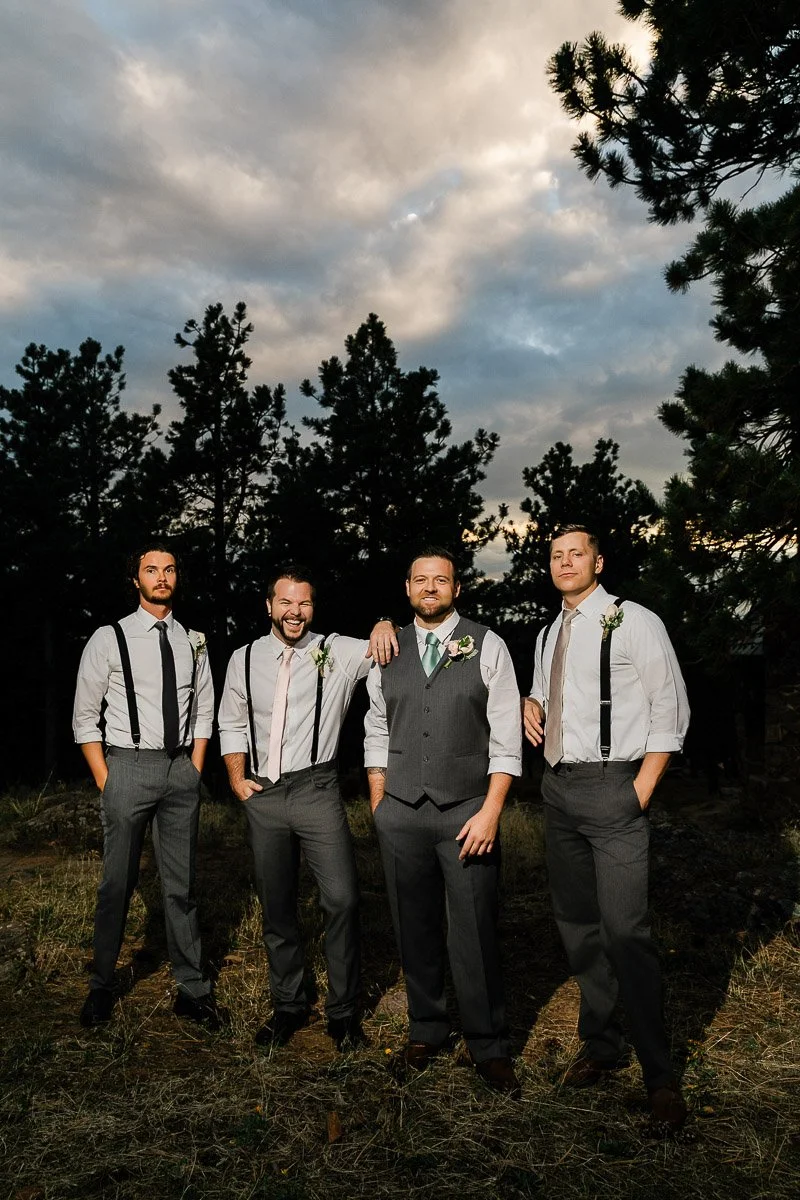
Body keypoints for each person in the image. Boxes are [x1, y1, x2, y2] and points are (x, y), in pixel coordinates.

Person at [524, 525, 690, 1128]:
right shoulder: (548, 633)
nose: (566, 562)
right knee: (579, 927)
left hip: (615, 787)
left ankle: (659, 1076)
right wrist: (531, 704)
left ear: (598, 562)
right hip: (559, 791)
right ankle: (601, 1045)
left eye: (577, 553)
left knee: (626, 932)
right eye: (556, 555)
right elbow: (546, 695)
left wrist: (639, 790)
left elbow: (671, 707)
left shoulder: (635, 621)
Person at [364, 548, 523, 1097]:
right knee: (413, 925)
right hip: (401, 811)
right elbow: (377, 727)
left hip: (467, 813)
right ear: (407, 588)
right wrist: (380, 801)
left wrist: (491, 812)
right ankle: (426, 1028)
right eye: (420, 579)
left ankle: (488, 1043)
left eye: (441, 580)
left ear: (457, 588)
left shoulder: (488, 645)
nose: (430, 588)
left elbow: (506, 739)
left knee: (474, 929)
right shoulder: (386, 648)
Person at [218, 567, 395, 1051]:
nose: (295, 612)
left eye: (304, 604)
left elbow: (386, 644)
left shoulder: (336, 650)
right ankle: (289, 1005)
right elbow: (231, 721)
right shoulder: (244, 658)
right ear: (269, 606)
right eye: (286, 603)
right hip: (264, 794)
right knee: (277, 906)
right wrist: (236, 778)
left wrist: (384, 621)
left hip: (317, 789)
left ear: (313, 608)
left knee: (342, 900)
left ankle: (343, 1014)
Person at [73, 544, 216, 1028]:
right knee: (117, 883)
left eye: (169, 569)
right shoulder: (109, 637)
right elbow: (85, 717)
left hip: (180, 771)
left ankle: (192, 989)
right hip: (127, 769)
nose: (162, 577)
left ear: (177, 577)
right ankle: (101, 985)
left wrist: (194, 768)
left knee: (181, 885)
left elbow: (203, 710)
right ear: (135, 580)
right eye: (151, 570)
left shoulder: (193, 640)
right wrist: (106, 779)